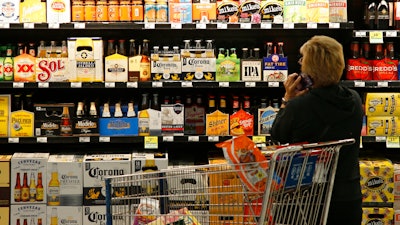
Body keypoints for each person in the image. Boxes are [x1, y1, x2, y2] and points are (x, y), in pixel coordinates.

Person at [270, 35, 363, 225]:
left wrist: (287, 99)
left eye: (303, 60)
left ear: (310, 70)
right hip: (347, 198)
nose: (301, 64)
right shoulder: (354, 99)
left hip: (307, 202)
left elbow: (277, 134)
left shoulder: (299, 106)